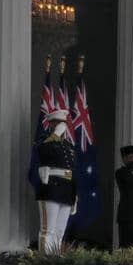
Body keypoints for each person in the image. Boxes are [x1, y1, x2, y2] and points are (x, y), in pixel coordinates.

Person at [34, 109, 77, 254]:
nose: (62, 126)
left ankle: (54, 260)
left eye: (64, 123)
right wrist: (56, 135)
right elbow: (43, 152)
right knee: (48, 230)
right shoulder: (45, 140)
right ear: (51, 124)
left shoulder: (69, 146)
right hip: (51, 189)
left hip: (67, 190)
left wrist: (75, 195)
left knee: (59, 232)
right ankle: (45, 260)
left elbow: (73, 171)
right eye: (59, 123)